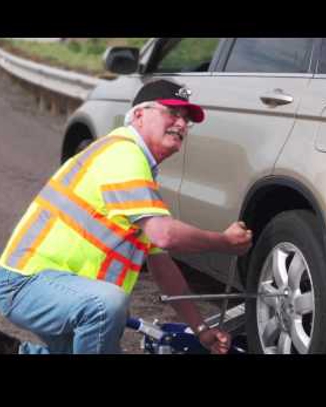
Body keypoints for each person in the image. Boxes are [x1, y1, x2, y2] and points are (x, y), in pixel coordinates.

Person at [0, 79, 253, 354]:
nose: (181, 124)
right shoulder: (124, 154)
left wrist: (200, 330)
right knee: (105, 305)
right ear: (139, 115)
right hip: (30, 284)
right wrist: (223, 242)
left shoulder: (139, 171)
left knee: (99, 317)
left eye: (186, 120)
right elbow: (164, 235)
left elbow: (162, 265)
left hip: (62, 290)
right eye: (172, 113)